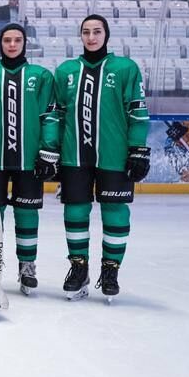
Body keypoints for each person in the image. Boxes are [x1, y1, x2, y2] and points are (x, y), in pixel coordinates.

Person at [53, 15, 149, 301]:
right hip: (74, 155)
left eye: (97, 32)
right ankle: (79, 268)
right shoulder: (66, 71)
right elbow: (56, 114)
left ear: (106, 35)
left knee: (115, 212)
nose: (91, 37)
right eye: (86, 32)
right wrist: (52, 149)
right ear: (80, 36)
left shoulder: (125, 68)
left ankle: (110, 270)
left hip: (115, 156)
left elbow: (138, 111)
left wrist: (138, 148)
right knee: (75, 212)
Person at [0, 23, 59, 295]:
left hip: (29, 160)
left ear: (24, 43)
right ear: (0, 44)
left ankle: (27, 266)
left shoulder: (41, 76)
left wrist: (48, 150)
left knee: (27, 213)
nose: (11, 45)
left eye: (17, 40)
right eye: (7, 40)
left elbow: (50, 116)